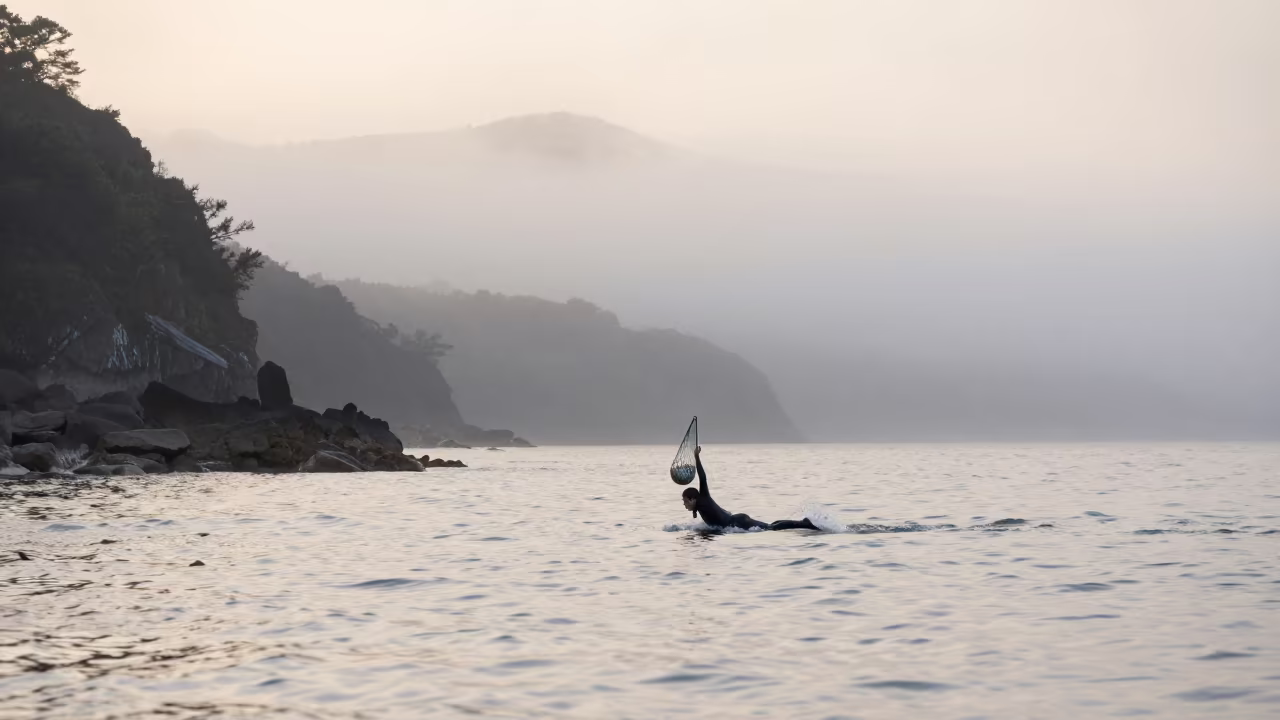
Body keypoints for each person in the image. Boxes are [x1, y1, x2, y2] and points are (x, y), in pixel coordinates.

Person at [681, 446, 818, 531]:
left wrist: (696, 457)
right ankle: (802, 523)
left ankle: (804, 524)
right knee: (770, 526)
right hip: (737, 520)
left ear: (693, 499)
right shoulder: (699, 504)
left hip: (738, 523)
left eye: (685, 501)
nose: (684, 504)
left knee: (771, 528)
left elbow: (703, 478)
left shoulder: (703, 497)